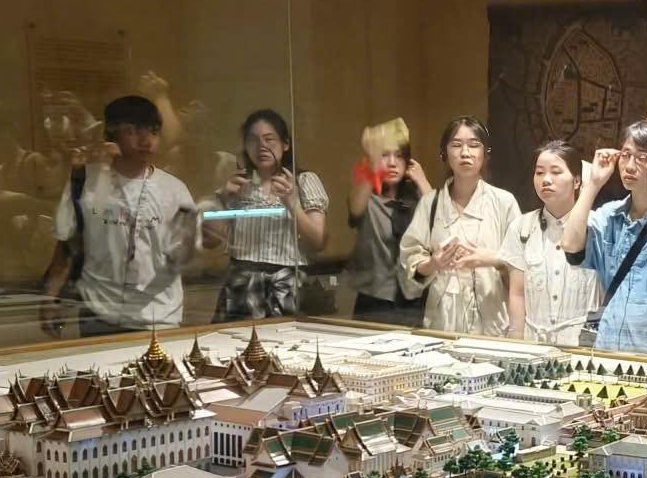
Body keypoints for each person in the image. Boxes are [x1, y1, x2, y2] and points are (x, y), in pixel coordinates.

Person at [40, 93, 196, 336]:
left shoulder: (174, 190)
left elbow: (186, 252)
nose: (145, 140)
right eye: (133, 131)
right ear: (111, 134)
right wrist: (50, 298)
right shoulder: (86, 181)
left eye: (153, 132)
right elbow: (66, 245)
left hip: (159, 315)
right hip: (99, 313)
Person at [562, 120, 647, 355]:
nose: (629, 166)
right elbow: (570, 246)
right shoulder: (609, 214)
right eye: (625, 155)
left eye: (642, 158)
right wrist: (593, 184)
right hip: (608, 345)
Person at [399, 117, 521, 335]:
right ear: (444, 153)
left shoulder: (504, 202)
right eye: (456, 145)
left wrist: (493, 259)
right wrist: (433, 264)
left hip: (492, 321)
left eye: (474, 145)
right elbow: (410, 261)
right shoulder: (430, 203)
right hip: (441, 320)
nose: (465, 152)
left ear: (485, 153)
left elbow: (524, 263)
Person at [203, 108, 327, 321]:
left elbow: (317, 242)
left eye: (269, 139)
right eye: (253, 140)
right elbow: (211, 241)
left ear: (285, 144)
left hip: (286, 283)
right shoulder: (238, 182)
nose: (261, 147)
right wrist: (224, 200)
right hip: (241, 282)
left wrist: (292, 204)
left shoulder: (304, 181)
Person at [505, 140, 601, 346]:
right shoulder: (521, 227)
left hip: (582, 343)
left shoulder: (598, 225)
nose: (546, 180)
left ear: (577, 181)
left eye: (556, 172)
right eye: (539, 172)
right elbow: (517, 292)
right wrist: (515, 342)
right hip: (533, 343)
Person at [347, 118, 431, 326]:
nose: (392, 163)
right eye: (384, 155)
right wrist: (372, 164)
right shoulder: (367, 196)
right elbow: (355, 207)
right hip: (374, 301)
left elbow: (442, 222)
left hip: (413, 300)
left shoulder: (418, 199)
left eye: (399, 156)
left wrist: (422, 181)